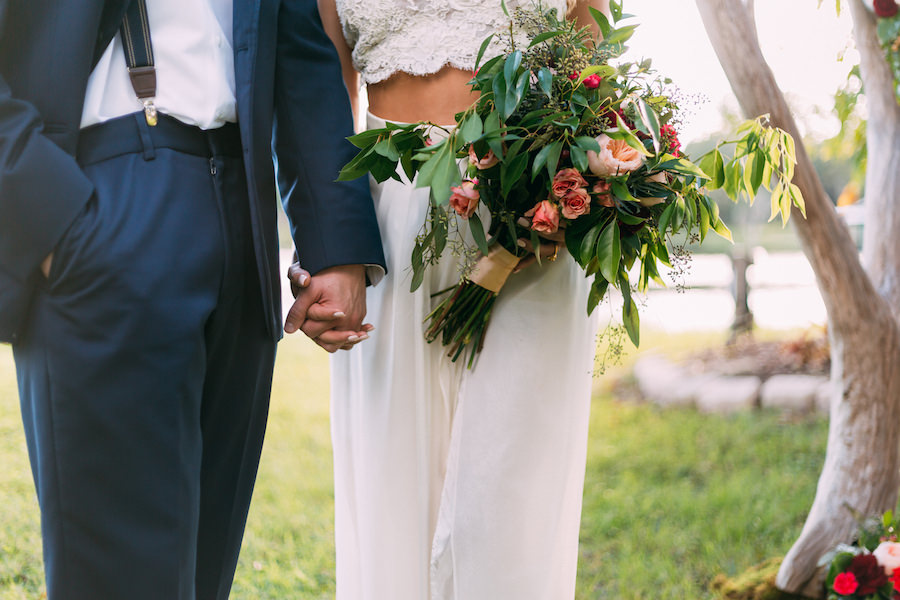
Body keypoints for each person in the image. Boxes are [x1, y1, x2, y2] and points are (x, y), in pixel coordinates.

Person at [0, 0, 384, 598]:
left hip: (240, 213)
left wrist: (336, 245)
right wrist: (47, 217)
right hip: (101, 196)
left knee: (206, 571)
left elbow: (300, 50)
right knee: (120, 576)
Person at [304, 0, 609, 598]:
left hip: (529, 205)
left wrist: (568, 181)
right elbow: (325, 91)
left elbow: (589, 51)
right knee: (396, 470)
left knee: (513, 479)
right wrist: (332, 244)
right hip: (390, 205)